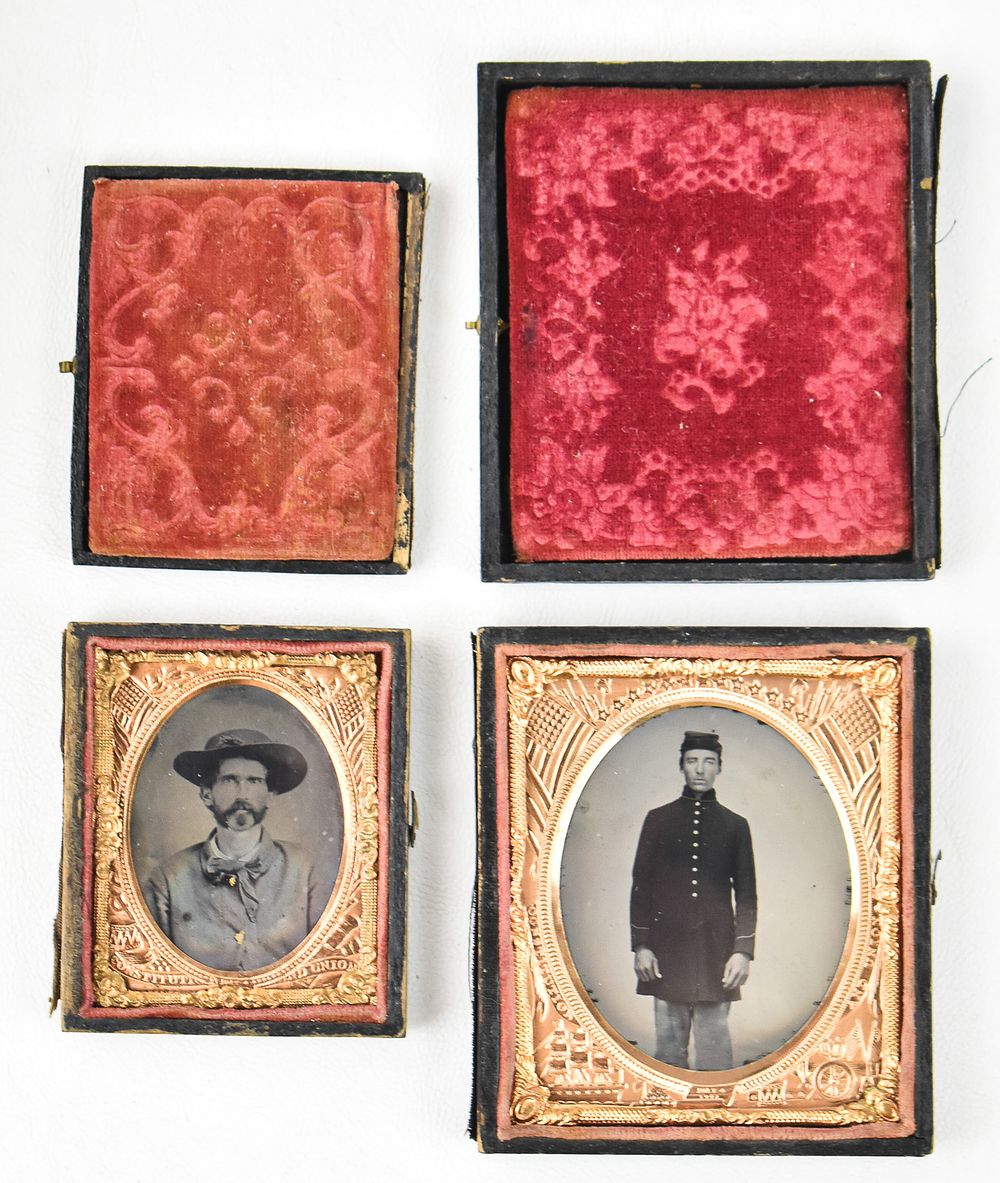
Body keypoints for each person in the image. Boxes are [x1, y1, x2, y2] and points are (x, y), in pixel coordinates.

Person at [142, 729, 322, 972]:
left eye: (254, 781)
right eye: (229, 780)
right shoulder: (168, 879)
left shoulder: (305, 869)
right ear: (207, 794)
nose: (242, 794)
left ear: (270, 795)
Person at [629, 730, 757, 1070]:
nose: (700, 770)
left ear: (719, 767)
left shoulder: (735, 825)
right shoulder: (658, 819)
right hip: (666, 953)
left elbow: (747, 895)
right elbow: (641, 886)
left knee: (715, 1055)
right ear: (681, 766)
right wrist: (641, 945)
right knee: (669, 1055)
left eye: (709, 762)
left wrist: (742, 952)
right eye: (692, 761)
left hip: (716, 954)